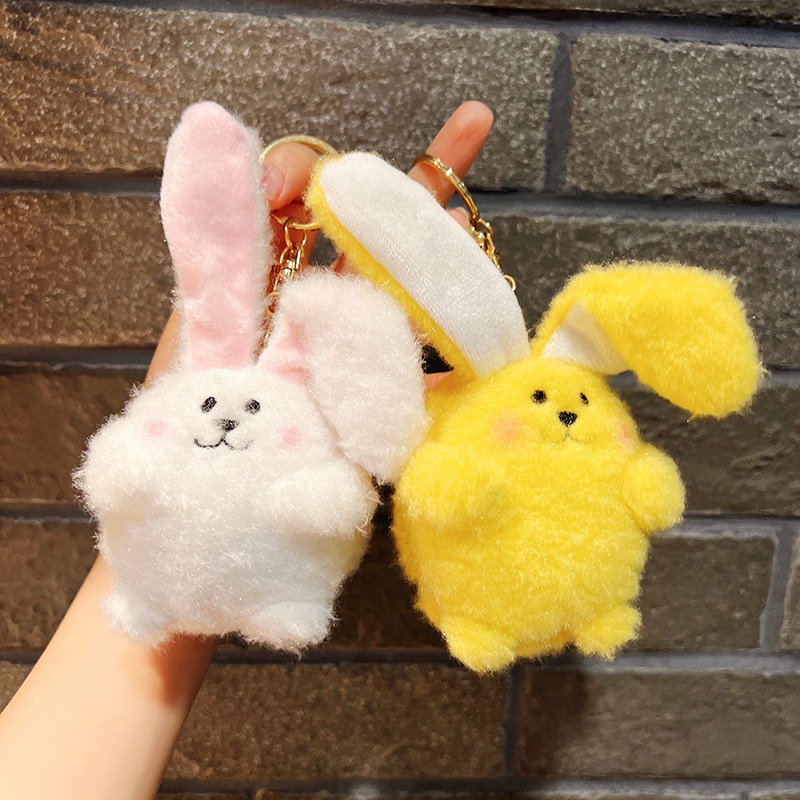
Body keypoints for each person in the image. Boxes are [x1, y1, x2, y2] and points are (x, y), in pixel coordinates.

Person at [0, 100, 494, 799]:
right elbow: (119, 469)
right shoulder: (192, 394)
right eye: (209, 407)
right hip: (147, 595)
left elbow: (332, 502)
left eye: (244, 411)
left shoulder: (293, 405)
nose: (228, 420)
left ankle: (259, 602)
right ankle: (151, 601)